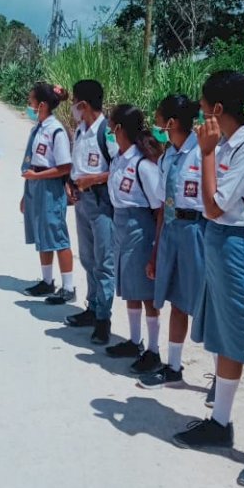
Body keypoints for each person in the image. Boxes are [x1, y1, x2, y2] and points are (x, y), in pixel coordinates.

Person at [173, 70, 244, 488]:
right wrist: (208, 150)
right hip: (218, 243)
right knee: (223, 338)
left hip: (236, 245)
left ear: (218, 109)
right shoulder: (227, 143)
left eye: (203, 104)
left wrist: (204, 153)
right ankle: (220, 423)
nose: (199, 110)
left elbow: (216, 206)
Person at [138, 94, 213, 396]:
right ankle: (174, 367)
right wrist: (157, 250)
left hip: (197, 229)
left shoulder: (203, 152)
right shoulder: (169, 154)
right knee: (176, 301)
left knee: (204, 304)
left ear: (171, 122)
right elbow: (160, 200)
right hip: (171, 228)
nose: (155, 124)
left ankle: (222, 376)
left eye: (158, 118)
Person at [104, 104, 164, 372]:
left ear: (119, 128)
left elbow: (158, 207)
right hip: (121, 225)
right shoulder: (119, 157)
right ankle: (134, 340)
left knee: (145, 291)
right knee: (129, 286)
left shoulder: (142, 163)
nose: (108, 128)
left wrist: (155, 249)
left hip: (140, 228)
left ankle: (153, 350)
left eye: (111, 123)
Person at [65, 79, 116, 345]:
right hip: (82, 202)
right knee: (87, 259)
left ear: (83, 104)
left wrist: (93, 181)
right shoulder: (81, 129)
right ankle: (93, 307)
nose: (72, 106)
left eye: (75, 101)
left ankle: (104, 320)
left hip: (102, 203)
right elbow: (77, 164)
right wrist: (71, 184)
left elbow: (119, 168)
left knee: (104, 262)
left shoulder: (107, 132)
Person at [21, 82, 76, 304]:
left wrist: (37, 178)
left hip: (49, 186)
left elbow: (64, 167)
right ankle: (46, 281)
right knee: (42, 235)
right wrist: (27, 193)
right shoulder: (38, 127)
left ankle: (69, 286)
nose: (29, 105)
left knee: (57, 235)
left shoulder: (56, 130)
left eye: (31, 101)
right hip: (36, 185)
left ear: (42, 104)